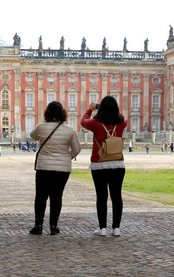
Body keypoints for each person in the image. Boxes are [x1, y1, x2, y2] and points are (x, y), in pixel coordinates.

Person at [29, 101, 82, 235]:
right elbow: (77, 149)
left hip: (44, 168)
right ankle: (53, 226)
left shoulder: (41, 127)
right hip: (62, 170)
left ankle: (38, 226)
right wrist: (66, 157)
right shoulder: (69, 130)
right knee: (56, 197)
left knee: (41, 197)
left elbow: (32, 136)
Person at [81, 96, 128, 236]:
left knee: (101, 196)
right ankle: (116, 228)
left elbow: (83, 121)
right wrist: (114, 110)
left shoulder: (95, 123)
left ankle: (102, 228)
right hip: (117, 163)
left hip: (99, 164)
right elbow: (123, 117)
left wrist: (90, 109)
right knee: (116, 196)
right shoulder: (121, 123)